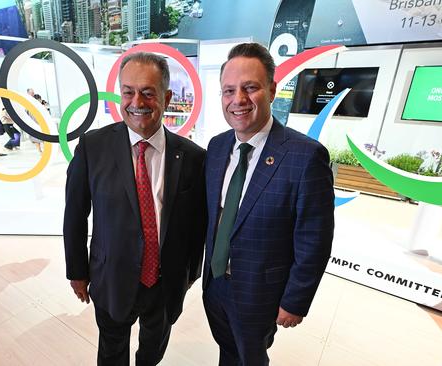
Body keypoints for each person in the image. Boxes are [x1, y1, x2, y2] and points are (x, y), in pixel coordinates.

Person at [63, 52, 207, 366]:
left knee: (152, 351)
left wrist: (189, 274)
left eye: (148, 92)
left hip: (165, 282)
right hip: (111, 277)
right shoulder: (92, 147)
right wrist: (77, 272)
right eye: (128, 91)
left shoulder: (194, 157)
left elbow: (198, 226)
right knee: (112, 351)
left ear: (167, 97)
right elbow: (74, 214)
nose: (136, 101)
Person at [202, 43, 335, 366]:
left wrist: (296, 300)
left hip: (261, 293)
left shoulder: (305, 156)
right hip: (216, 283)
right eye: (229, 90)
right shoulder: (217, 147)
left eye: (250, 87)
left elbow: (314, 239)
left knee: (251, 358)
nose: (238, 100)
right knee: (228, 352)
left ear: (272, 90)